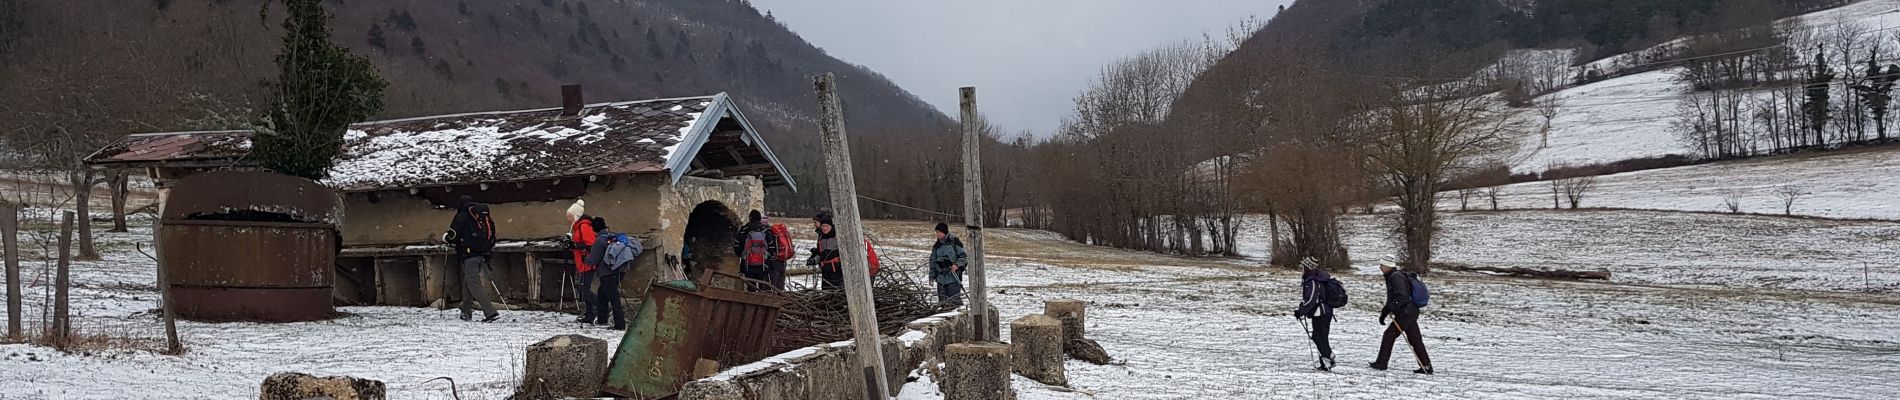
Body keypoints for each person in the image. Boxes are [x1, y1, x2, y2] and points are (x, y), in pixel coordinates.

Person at [1371, 257, 1433, 374]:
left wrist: (1388, 309)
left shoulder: (1395, 277)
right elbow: (1394, 297)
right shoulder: (1395, 276)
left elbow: (1402, 297)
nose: (1380, 268)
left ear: (1388, 266)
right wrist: (1385, 311)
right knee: (1415, 339)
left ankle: (1381, 363)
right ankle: (1426, 365)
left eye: (1382, 265)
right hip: (1410, 312)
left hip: (1406, 312)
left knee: (1389, 335)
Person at [443, 195, 499, 323]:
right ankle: (466, 311)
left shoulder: (462, 216)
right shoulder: (481, 216)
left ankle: (490, 312)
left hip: (468, 254)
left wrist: (446, 238)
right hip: (482, 253)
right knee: (468, 281)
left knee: (474, 283)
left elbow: (453, 235)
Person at [584, 217, 639, 330]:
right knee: (602, 294)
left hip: (607, 273)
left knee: (614, 298)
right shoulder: (611, 237)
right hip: (619, 270)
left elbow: (593, 260)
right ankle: (602, 319)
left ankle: (620, 324)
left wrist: (584, 258)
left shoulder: (599, 241)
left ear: (594, 229)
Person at [1293, 257, 1336, 371]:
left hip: (1320, 313)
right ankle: (1327, 359)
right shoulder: (1317, 278)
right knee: (1321, 337)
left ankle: (1328, 359)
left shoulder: (1311, 281)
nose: (1301, 269)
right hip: (1325, 312)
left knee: (1318, 337)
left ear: (1307, 268)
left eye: (1302, 267)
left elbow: (1312, 299)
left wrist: (1300, 311)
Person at [566, 200, 599, 324]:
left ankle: (603, 307)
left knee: (584, 290)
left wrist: (574, 245)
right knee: (583, 289)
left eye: (569, 216)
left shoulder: (584, 226)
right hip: (583, 262)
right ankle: (590, 314)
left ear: (575, 215)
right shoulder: (577, 227)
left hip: (587, 262)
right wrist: (570, 244)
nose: (568, 219)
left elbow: (590, 244)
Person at [733, 210, 781, 291]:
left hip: (748, 264)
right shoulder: (765, 229)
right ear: (759, 218)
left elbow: (737, 246)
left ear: (750, 218)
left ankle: (751, 300)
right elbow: (772, 248)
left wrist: (743, 256)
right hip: (763, 264)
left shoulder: (744, 229)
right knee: (763, 286)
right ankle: (761, 300)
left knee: (751, 286)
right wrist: (767, 257)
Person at [928, 223, 968, 307]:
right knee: (943, 305)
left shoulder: (954, 242)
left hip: (953, 279)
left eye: (939, 232)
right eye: (936, 232)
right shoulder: (936, 246)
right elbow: (933, 261)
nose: (937, 234)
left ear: (944, 232)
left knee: (954, 303)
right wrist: (931, 276)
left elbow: (964, 256)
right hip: (941, 280)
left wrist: (957, 265)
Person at [806, 212, 842, 289]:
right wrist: (814, 260)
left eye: (826, 226)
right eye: (823, 226)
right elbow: (821, 254)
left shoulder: (838, 236)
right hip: (825, 272)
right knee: (826, 292)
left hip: (837, 272)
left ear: (831, 226)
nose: (824, 228)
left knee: (837, 294)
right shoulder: (821, 237)